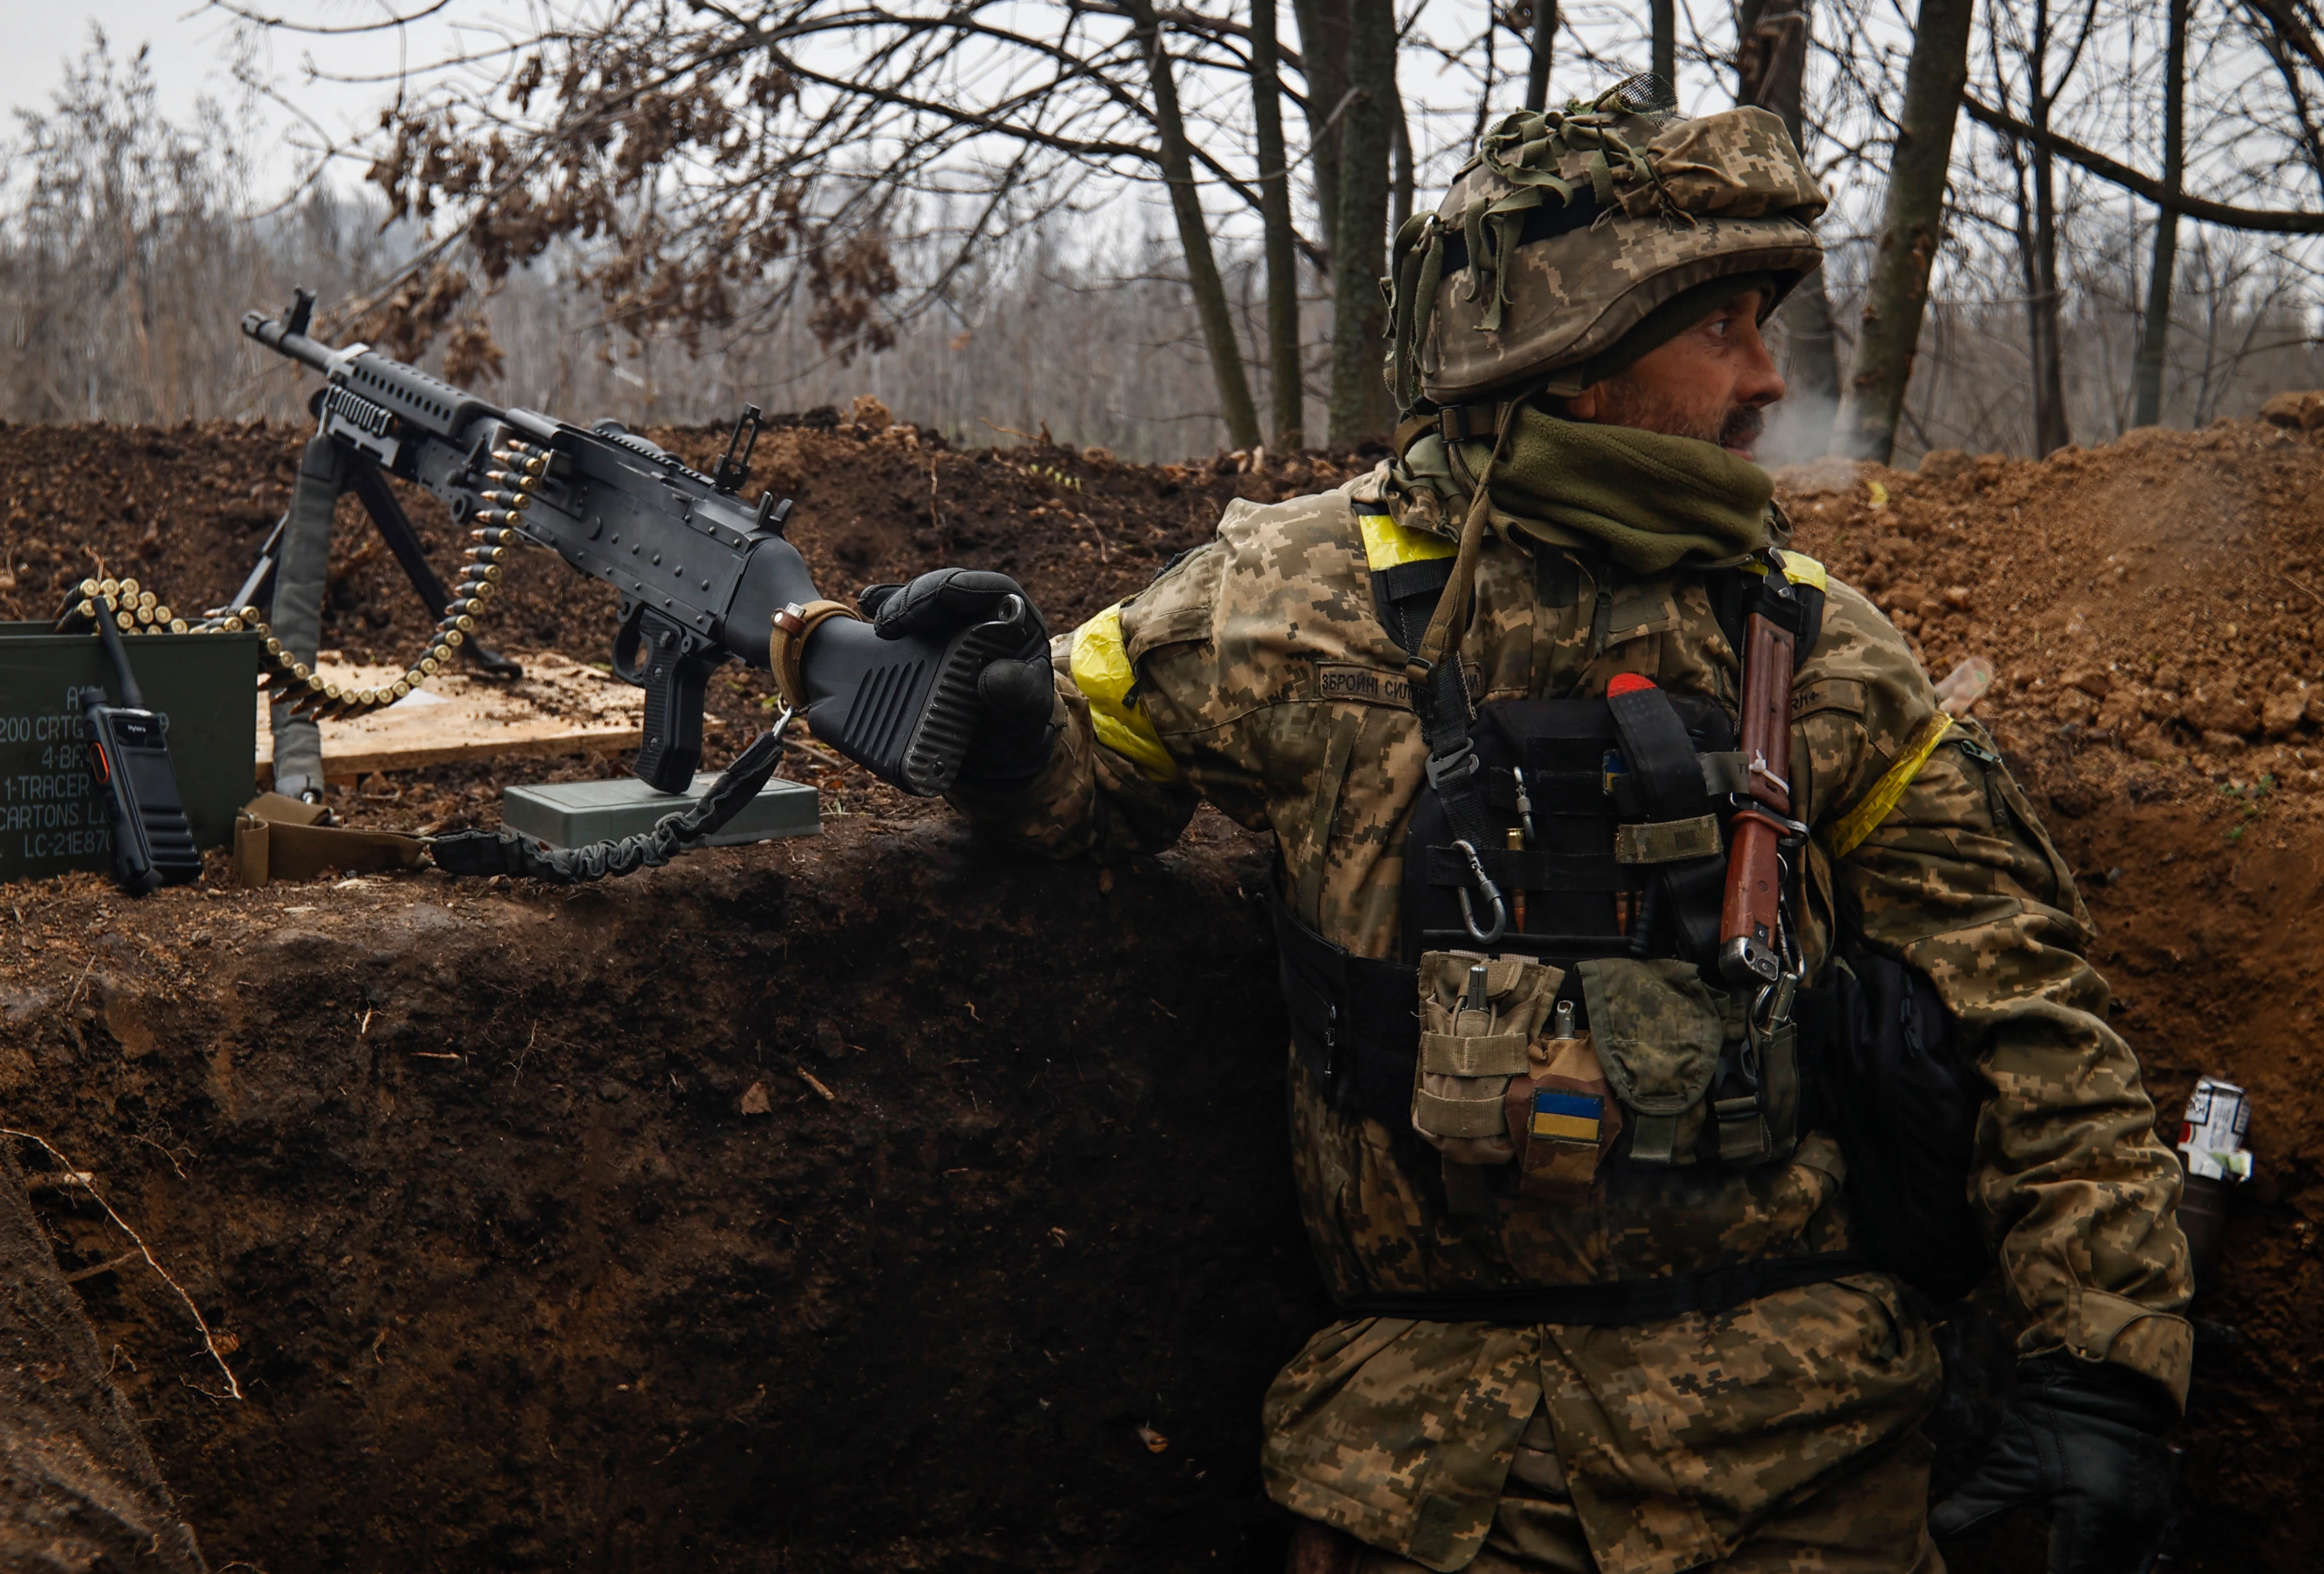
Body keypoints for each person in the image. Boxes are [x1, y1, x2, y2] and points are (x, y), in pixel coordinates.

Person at [861, 83, 2191, 1574]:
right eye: (1718, 327)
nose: (1765, 377)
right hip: (1427, 1476)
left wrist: (2103, 1360)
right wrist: (995, 718)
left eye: (1765, 323)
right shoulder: (1282, 599)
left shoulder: (1817, 645)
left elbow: (2025, 1001)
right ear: (1571, 354)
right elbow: (1086, 787)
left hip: (1804, 1453)